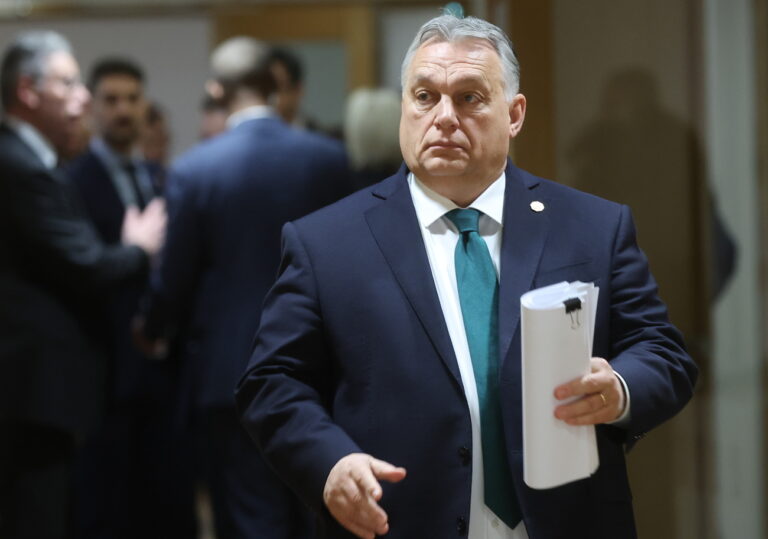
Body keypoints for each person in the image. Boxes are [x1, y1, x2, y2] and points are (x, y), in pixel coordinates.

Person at [235, 13, 698, 539]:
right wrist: (329, 464)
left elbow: (661, 351)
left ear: (515, 113)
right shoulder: (325, 243)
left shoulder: (594, 225)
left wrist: (618, 387)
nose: (444, 117)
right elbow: (272, 383)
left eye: (470, 98)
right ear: (405, 106)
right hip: (400, 519)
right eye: (425, 96)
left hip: (569, 517)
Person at [141, 36, 351, 539]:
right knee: (315, 509)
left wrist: (151, 327)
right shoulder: (328, 158)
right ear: (276, 84)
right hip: (318, 362)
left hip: (229, 370)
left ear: (217, 89)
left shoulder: (195, 169)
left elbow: (177, 276)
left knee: (247, 514)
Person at [0, 31, 165, 539]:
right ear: (28, 91)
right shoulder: (19, 164)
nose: (84, 98)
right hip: (30, 395)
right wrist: (139, 248)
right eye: (69, 83)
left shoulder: (34, 160)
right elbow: (88, 265)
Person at [65, 58, 193, 539]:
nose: (123, 110)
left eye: (132, 99)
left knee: (164, 503)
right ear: (93, 108)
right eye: (111, 100)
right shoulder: (72, 182)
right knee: (109, 507)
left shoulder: (160, 177)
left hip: (163, 369)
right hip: (104, 367)